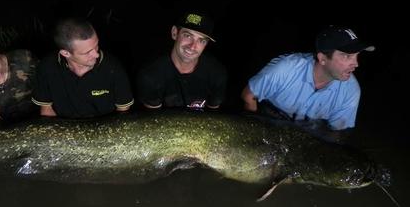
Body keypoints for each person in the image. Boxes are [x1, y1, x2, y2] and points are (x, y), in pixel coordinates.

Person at [241, 26, 375, 131]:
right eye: (347, 56)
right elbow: (249, 95)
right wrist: (253, 129)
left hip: (306, 136)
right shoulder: (287, 68)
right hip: (268, 122)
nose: (356, 64)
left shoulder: (351, 91)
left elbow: (339, 132)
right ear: (322, 58)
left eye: (357, 56)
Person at [32, 17, 134, 118]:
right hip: (65, 127)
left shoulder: (113, 68)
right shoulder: (47, 67)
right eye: (87, 53)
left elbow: (123, 112)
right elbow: (47, 110)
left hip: (105, 126)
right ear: (66, 53)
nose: (96, 55)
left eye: (96, 46)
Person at [136, 11, 227, 110]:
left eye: (201, 40)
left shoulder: (217, 74)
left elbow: (214, 117)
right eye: (188, 36)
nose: (192, 46)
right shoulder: (150, 75)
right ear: (175, 33)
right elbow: (154, 121)